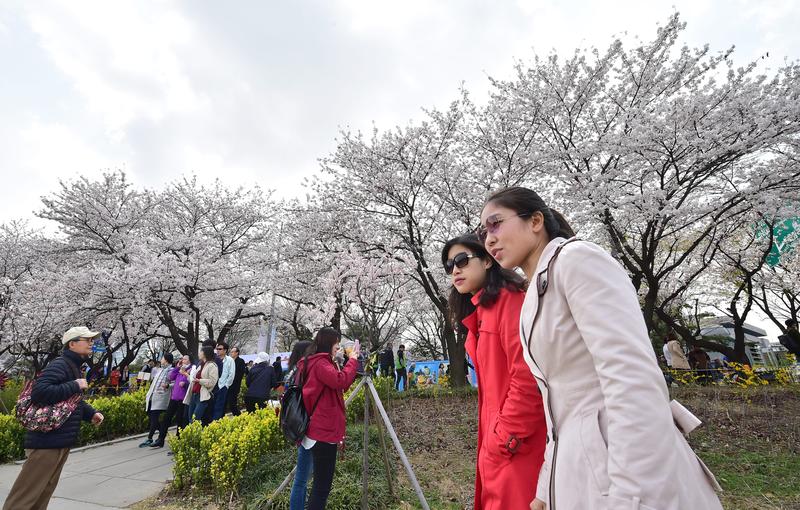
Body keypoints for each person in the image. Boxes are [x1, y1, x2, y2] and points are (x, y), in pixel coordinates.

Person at [479, 186, 722, 510]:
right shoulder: (534, 296)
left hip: (626, 469)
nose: (489, 239)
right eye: (483, 232)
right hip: (580, 471)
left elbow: (632, 380)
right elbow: (558, 408)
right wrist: (545, 487)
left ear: (535, 220)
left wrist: (632, 495)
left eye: (495, 224)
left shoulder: (577, 260)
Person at [441, 233, 546, 509]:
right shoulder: (481, 310)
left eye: (462, 260)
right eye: (449, 265)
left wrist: (504, 438)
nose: (455, 269)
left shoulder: (510, 302)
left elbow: (528, 376)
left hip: (518, 445)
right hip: (500, 442)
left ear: (488, 260)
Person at [3, 326, 105, 510]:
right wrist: (75, 385)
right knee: (26, 495)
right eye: (87, 339)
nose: (92, 343)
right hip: (46, 442)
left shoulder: (72, 366)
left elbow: (71, 401)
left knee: (43, 491)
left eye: (92, 339)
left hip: (57, 440)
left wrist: (91, 413)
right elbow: (40, 392)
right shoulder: (61, 364)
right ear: (72, 344)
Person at [297, 328, 359, 510]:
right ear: (328, 343)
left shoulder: (314, 362)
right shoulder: (320, 364)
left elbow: (337, 387)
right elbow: (341, 381)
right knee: (321, 488)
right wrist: (353, 360)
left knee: (319, 486)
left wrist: (340, 364)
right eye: (336, 344)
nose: (338, 347)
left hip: (315, 429)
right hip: (322, 432)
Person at [285, 340, 313, 510]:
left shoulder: (292, 370)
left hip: (296, 424)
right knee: (302, 479)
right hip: (305, 426)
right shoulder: (302, 371)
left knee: (303, 478)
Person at [152, 355, 191, 448]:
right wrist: (177, 367)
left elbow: (191, 381)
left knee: (180, 420)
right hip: (174, 397)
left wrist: (185, 383)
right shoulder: (179, 369)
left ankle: (179, 440)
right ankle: (160, 439)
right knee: (166, 418)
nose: (183, 360)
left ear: (189, 361)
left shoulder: (191, 369)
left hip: (183, 398)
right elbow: (170, 377)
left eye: (185, 359)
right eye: (182, 359)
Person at [140, 353, 174, 447]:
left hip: (161, 397)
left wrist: (167, 385)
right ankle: (162, 432)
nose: (161, 360)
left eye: (162, 358)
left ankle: (150, 438)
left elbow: (174, 383)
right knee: (150, 415)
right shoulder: (160, 369)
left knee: (154, 416)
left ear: (166, 360)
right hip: (154, 396)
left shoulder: (171, 371)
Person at [186, 346, 219, 423]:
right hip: (194, 394)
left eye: (201, 351)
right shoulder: (200, 364)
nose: (199, 353)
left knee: (195, 420)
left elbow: (212, 382)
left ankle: (198, 434)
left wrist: (199, 380)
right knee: (190, 419)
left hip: (202, 396)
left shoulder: (212, 365)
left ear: (205, 353)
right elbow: (193, 379)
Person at [212, 342, 234, 420]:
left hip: (222, 386)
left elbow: (231, 374)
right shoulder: (214, 359)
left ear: (225, 350)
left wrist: (226, 385)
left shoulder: (230, 360)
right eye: (217, 349)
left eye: (220, 349)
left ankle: (215, 424)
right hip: (213, 386)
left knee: (219, 406)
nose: (218, 350)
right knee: (212, 406)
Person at [226, 346, 247, 416]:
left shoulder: (240, 361)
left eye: (232, 352)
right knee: (226, 402)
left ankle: (238, 415)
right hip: (227, 384)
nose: (231, 353)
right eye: (231, 352)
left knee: (232, 403)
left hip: (235, 385)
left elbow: (240, 374)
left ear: (237, 353)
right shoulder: (229, 361)